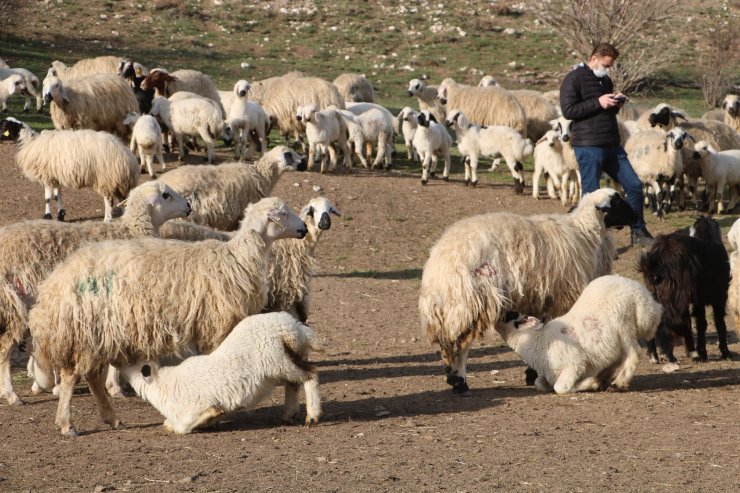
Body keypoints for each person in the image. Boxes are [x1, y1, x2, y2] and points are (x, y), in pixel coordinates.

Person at [559, 42, 654, 246]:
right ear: (594, 59)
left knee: (634, 185)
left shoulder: (605, 81)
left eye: (610, 66)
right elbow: (568, 110)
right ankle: (589, 240)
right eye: (606, 65)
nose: (608, 69)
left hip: (612, 144)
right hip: (588, 145)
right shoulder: (573, 79)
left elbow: (604, 111)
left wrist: (615, 104)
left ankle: (638, 231)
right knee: (591, 195)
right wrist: (598, 102)